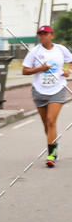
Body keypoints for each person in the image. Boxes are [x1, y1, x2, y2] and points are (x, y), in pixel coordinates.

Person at [22, 25, 72, 167]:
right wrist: (40, 69)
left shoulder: (61, 49)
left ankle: (51, 155)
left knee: (51, 121)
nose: (43, 36)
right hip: (39, 91)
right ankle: (53, 143)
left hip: (57, 90)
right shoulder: (35, 52)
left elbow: (70, 62)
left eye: (46, 34)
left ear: (52, 35)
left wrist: (68, 71)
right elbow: (24, 71)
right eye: (41, 34)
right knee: (47, 125)